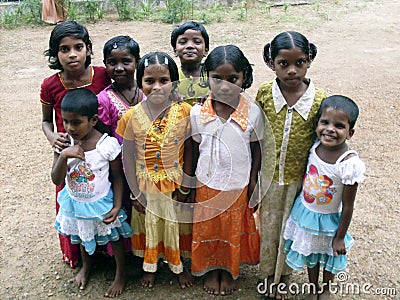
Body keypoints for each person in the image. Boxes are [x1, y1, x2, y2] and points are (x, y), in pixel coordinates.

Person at [255, 31, 327, 299]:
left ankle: (283, 277)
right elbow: (257, 136)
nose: (292, 70)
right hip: (269, 178)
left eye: (300, 62)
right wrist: (254, 177)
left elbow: (322, 142)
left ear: (309, 60)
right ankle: (266, 277)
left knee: (291, 230)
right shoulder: (265, 92)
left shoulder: (318, 99)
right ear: (272, 63)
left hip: (300, 181)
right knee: (270, 228)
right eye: (284, 63)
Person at [116, 52, 194, 289]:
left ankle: (179, 265)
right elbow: (127, 157)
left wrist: (187, 185)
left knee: (176, 226)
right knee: (150, 226)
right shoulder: (130, 117)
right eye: (150, 81)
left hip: (175, 184)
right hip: (145, 186)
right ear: (140, 83)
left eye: (164, 81)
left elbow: (190, 150)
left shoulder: (184, 112)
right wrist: (135, 192)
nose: (157, 87)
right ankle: (150, 266)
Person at [190, 45, 263, 295]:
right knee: (208, 227)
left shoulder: (252, 113)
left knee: (230, 229)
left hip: (237, 183)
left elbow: (257, 149)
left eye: (233, 79)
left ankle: (229, 269)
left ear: (244, 78)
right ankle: (211, 269)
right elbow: (193, 147)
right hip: (205, 183)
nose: (224, 85)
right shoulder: (198, 112)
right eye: (216, 78)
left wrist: (253, 180)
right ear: (206, 77)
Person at [40, 20, 111, 268]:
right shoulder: (50, 85)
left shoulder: (102, 75)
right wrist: (52, 137)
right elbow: (46, 122)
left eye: (78, 47)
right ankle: (78, 254)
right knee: (72, 198)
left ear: (89, 49)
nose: (72, 54)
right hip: (69, 152)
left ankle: (107, 251)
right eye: (64, 49)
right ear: (55, 53)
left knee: (103, 194)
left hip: (99, 150)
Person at [52, 89, 133, 297]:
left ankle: (120, 274)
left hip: (101, 202)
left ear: (94, 120)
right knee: (81, 234)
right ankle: (86, 267)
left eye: (76, 122)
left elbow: (116, 178)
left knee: (114, 238)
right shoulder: (63, 143)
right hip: (76, 203)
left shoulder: (107, 145)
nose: (70, 128)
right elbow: (56, 179)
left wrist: (116, 206)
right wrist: (63, 156)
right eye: (66, 122)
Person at [283, 95, 366, 299]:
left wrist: (339, 237)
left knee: (330, 255)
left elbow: (348, 206)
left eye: (339, 126)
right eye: (325, 122)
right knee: (312, 253)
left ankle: (326, 288)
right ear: (317, 124)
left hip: (330, 219)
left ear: (350, 132)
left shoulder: (349, 164)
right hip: (306, 213)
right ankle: (312, 286)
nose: (330, 129)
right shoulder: (314, 146)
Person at [98, 36, 145, 254]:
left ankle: (150, 254)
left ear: (137, 61)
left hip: (150, 166)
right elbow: (105, 137)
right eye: (111, 62)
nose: (119, 68)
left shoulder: (148, 91)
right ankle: (127, 256)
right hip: (120, 169)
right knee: (125, 208)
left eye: (126, 61)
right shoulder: (105, 100)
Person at [171, 21, 210, 105]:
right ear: (175, 50)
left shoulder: (212, 76)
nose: (190, 46)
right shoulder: (171, 77)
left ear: (206, 50)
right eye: (183, 42)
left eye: (197, 42)